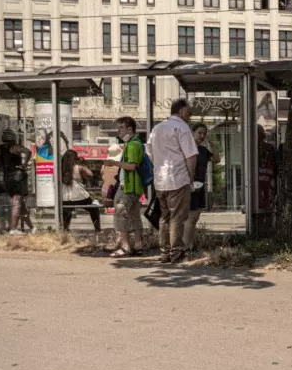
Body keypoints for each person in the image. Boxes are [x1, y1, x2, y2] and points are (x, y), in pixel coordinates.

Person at [147, 100, 198, 263]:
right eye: (189, 113)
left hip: (160, 180)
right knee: (177, 216)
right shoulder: (182, 127)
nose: (189, 117)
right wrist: (190, 178)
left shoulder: (157, 128)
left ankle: (165, 252)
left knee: (164, 216)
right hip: (178, 178)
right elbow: (191, 156)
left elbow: (150, 153)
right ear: (182, 111)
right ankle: (177, 252)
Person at [104, 116, 145, 256]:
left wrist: (113, 163)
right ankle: (139, 244)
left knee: (121, 212)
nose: (118, 131)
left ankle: (125, 246)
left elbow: (132, 166)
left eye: (121, 128)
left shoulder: (133, 145)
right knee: (134, 216)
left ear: (130, 129)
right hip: (134, 187)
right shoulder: (135, 143)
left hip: (128, 187)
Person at [183, 122, 220, 253]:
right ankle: (186, 247)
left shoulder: (203, 150)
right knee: (190, 217)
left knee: (195, 215)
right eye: (199, 133)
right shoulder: (187, 148)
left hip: (200, 185)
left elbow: (217, 159)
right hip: (189, 185)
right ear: (192, 132)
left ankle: (189, 244)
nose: (202, 136)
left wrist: (212, 144)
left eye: (204, 133)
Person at [0, 129, 31, 234]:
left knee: (18, 204)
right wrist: (24, 164)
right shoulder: (14, 147)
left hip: (4, 177)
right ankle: (13, 228)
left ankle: (31, 227)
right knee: (17, 203)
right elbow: (28, 151)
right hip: (16, 176)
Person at [59, 150, 100, 232]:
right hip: (79, 196)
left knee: (66, 211)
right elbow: (90, 174)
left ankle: (65, 229)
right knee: (94, 208)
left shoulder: (60, 168)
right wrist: (83, 165)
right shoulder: (79, 167)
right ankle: (97, 228)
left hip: (65, 197)